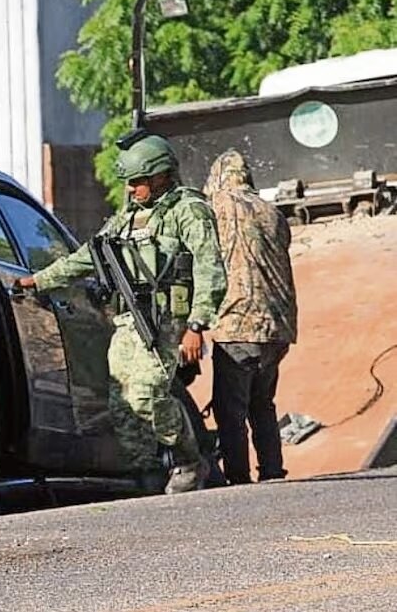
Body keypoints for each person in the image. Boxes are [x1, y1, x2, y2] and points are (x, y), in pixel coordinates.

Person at [16, 133, 227, 494]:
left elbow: (210, 270)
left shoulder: (187, 211)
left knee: (149, 392)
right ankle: (146, 472)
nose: (131, 190)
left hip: (166, 322)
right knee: (121, 403)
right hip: (128, 323)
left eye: (138, 182)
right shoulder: (125, 220)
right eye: (128, 183)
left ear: (161, 176)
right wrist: (37, 281)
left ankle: (189, 460)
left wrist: (197, 325)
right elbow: (85, 257)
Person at [203, 149, 297, 484]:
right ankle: (272, 471)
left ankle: (238, 480)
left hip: (237, 323)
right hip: (277, 326)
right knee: (263, 404)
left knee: (231, 410)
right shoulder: (273, 211)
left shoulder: (215, 208)